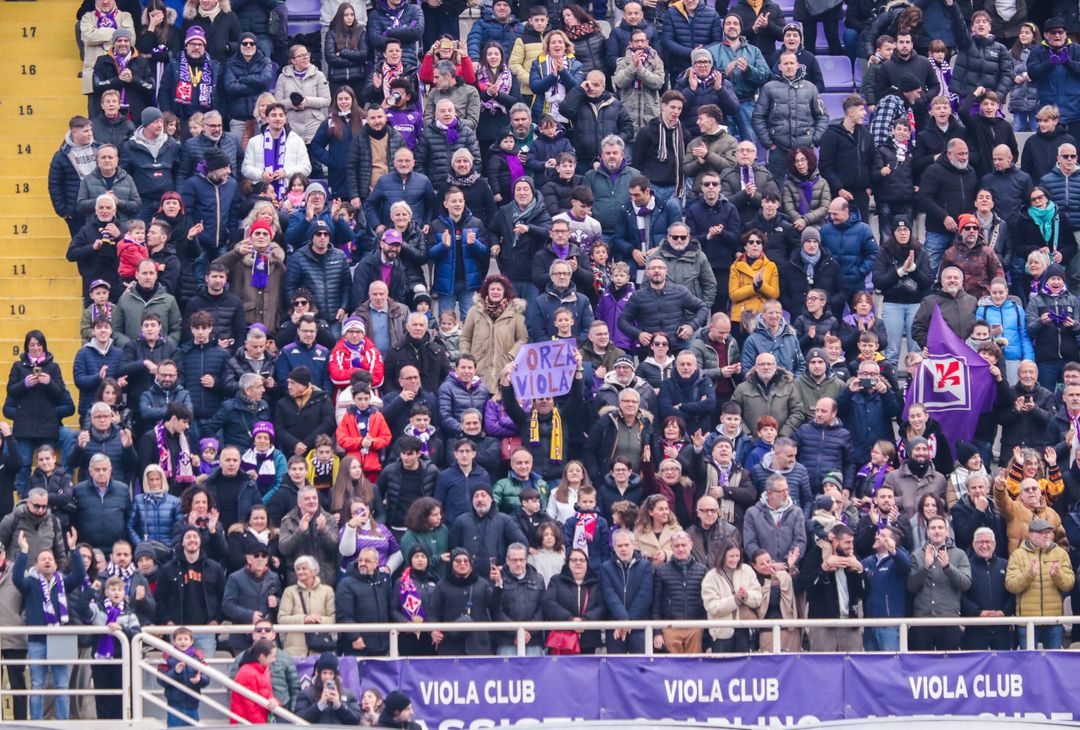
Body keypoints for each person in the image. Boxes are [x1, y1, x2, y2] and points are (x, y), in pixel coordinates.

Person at [12, 528, 85, 721]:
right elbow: (16, 578)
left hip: (60, 638)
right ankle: (36, 722)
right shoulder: (30, 583)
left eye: (50, 559)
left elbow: (78, 575)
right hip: (37, 641)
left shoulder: (63, 582)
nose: (46, 561)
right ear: (36, 564)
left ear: (55, 564)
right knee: (37, 685)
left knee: (62, 685)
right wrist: (24, 552)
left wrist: (73, 550)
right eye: (42, 558)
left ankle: (63, 723)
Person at [752, 51, 829, 182]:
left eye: (791, 63)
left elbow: (823, 116)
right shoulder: (768, 88)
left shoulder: (810, 88)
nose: (789, 66)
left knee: (809, 188)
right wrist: (769, 144)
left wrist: (814, 139)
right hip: (778, 149)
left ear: (797, 65)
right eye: (785, 63)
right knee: (776, 188)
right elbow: (758, 118)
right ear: (780, 66)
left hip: (806, 147)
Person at [907, 514, 972, 650]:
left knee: (949, 668)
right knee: (921, 668)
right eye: (933, 528)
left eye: (940, 528)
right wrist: (925, 568)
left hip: (948, 621)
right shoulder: (917, 555)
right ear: (928, 531)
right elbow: (911, 586)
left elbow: (966, 584)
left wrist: (948, 567)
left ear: (946, 531)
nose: (937, 531)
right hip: (922, 622)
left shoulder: (959, 554)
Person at [650, 531, 707, 653]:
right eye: (676, 546)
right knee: (672, 668)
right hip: (670, 627)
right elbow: (656, 605)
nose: (680, 549)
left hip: (695, 627)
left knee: (695, 667)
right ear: (671, 548)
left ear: (691, 545)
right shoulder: (661, 571)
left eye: (684, 545)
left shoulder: (702, 570)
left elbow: (706, 604)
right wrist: (657, 632)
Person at [278, 485, 340, 585]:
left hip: (324, 580)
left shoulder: (329, 519)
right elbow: (284, 549)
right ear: (299, 503)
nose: (312, 501)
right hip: (298, 580)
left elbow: (334, 548)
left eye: (314, 498)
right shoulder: (288, 520)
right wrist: (300, 531)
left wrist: (323, 531)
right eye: (307, 499)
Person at [912, 266, 978, 346]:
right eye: (948, 278)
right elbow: (918, 328)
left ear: (961, 281)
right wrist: (928, 344)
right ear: (942, 281)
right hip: (942, 353)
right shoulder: (929, 302)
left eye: (956, 278)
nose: (952, 280)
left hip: (968, 351)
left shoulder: (972, 301)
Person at [230, 639, 281, 723]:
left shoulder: (264, 669)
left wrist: (274, 701)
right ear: (262, 656)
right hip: (246, 724)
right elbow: (250, 709)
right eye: (272, 657)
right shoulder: (247, 673)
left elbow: (268, 693)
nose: (274, 660)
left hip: (259, 721)